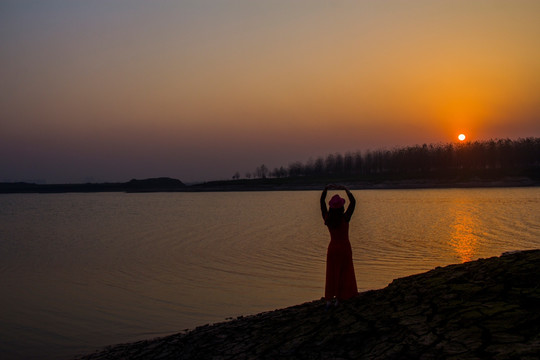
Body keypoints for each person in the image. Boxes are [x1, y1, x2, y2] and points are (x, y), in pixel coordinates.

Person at [320, 184, 358, 307]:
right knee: (344, 273)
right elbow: (353, 202)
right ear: (341, 207)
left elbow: (322, 203)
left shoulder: (328, 219)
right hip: (345, 248)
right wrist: (346, 189)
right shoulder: (345, 218)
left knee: (331, 273)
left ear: (331, 207)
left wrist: (325, 190)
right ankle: (339, 299)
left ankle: (329, 300)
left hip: (333, 249)